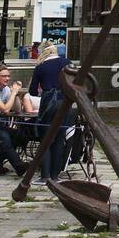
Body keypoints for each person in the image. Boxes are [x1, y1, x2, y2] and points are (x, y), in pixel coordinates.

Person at [29, 43, 72, 181]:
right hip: (64, 102)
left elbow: (33, 91)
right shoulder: (66, 63)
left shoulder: (40, 67)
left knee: (46, 139)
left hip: (48, 103)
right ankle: (55, 175)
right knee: (59, 138)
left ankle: (45, 176)